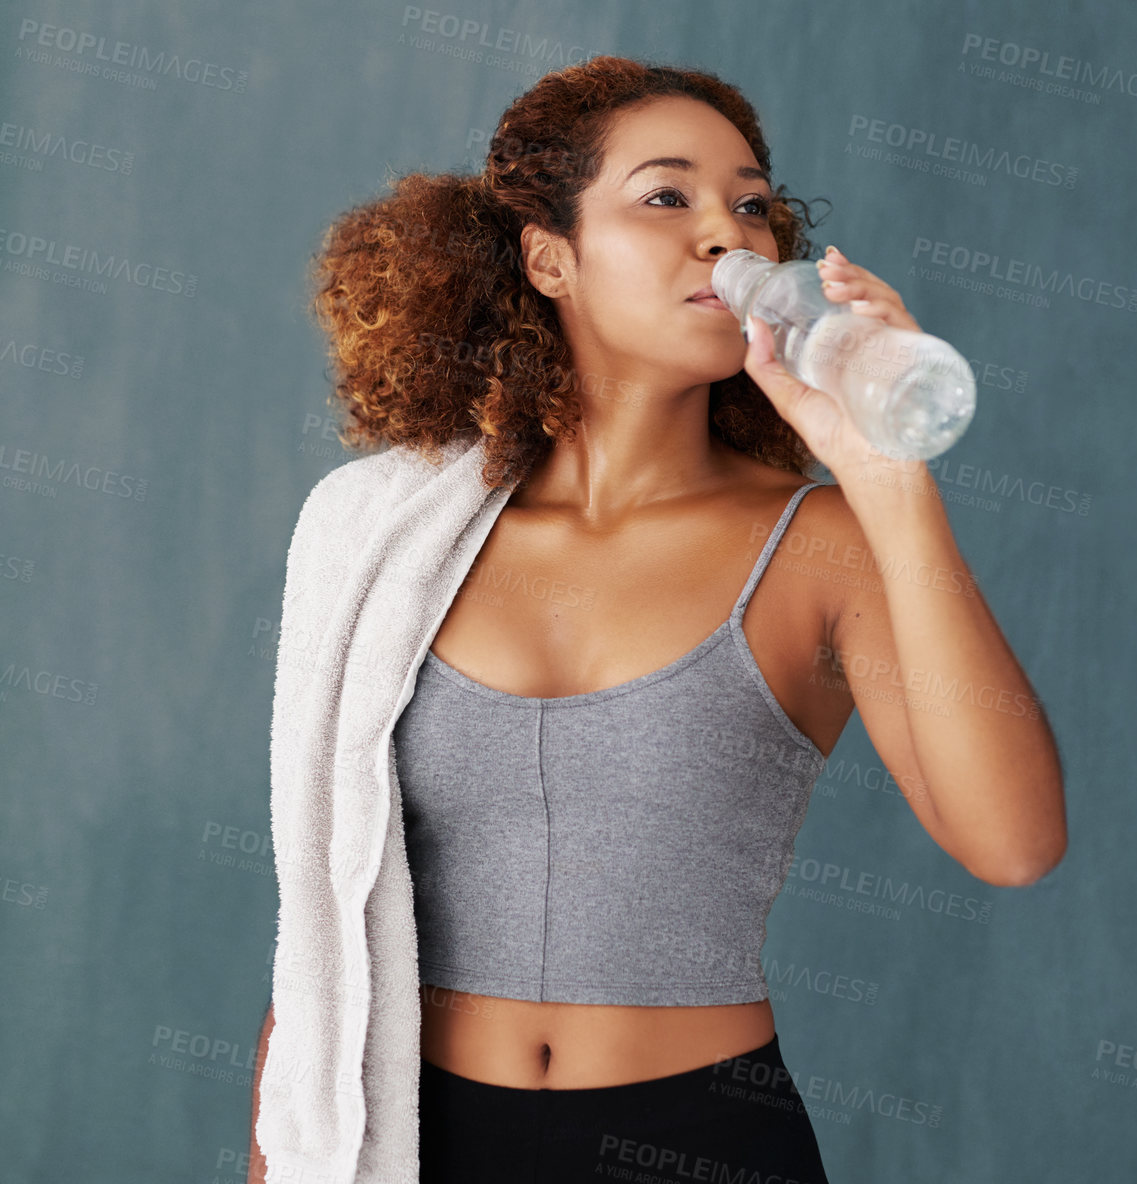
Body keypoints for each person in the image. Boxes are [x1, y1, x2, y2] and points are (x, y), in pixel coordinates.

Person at [249, 55, 1066, 1182]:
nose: (724, 238)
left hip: (701, 1138)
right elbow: (324, 909)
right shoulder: (384, 538)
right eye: (666, 195)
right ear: (550, 258)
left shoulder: (819, 542)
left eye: (750, 204)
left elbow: (1014, 840)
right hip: (418, 1137)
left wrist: (893, 481)